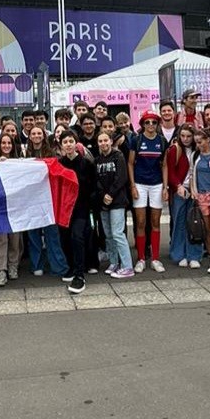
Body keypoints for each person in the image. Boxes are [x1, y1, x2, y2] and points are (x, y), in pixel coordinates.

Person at [23, 123, 68, 278]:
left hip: (49, 198)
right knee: (33, 234)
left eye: (39, 133)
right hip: (30, 199)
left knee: (52, 234)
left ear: (43, 136)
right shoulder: (23, 153)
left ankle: (58, 265)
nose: (36, 136)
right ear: (29, 136)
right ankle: (36, 265)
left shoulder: (52, 154)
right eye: (33, 134)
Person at [180, 129, 210, 273]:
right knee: (206, 229)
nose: (198, 144)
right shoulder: (195, 155)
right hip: (201, 196)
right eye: (197, 142)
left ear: (208, 140)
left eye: (201, 141)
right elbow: (192, 173)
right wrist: (193, 190)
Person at [128, 111, 168, 273]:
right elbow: (130, 163)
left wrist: (165, 187)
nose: (150, 125)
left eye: (153, 122)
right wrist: (132, 186)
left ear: (157, 124)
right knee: (141, 222)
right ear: (142, 124)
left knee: (156, 222)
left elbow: (164, 165)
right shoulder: (136, 140)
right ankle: (141, 258)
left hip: (157, 184)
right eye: (147, 122)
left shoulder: (162, 141)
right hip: (140, 184)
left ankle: (156, 259)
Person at [57, 131, 96, 294]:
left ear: (76, 143)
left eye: (71, 141)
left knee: (77, 237)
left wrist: (91, 206)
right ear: (61, 146)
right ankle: (72, 267)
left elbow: (93, 185)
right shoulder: (59, 164)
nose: (68, 144)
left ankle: (80, 275)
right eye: (65, 142)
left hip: (82, 207)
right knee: (65, 238)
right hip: (64, 209)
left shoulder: (86, 163)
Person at [95, 130, 133, 278]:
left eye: (106, 140)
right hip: (103, 202)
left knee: (118, 233)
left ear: (111, 141)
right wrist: (103, 195)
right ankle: (114, 262)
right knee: (108, 234)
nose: (103, 143)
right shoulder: (97, 160)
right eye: (100, 141)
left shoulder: (118, 156)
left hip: (117, 201)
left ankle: (127, 266)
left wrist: (110, 194)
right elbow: (96, 180)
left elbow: (121, 177)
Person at [165, 125, 202, 268]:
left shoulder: (197, 150)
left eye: (189, 136)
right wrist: (178, 186)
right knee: (179, 223)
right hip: (179, 191)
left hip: (194, 190)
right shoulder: (175, 150)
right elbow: (170, 171)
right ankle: (179, 254)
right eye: (183, 136)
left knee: (194, 222)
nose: (185, 139)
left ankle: (194, 255)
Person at [0, 132, 22, 285]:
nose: (6, 146)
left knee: (15, 238)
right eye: (3, 143)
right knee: (0, 239)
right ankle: (1, 270)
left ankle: (13, 266)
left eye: (9, 143)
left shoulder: (19, 163)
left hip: (15, 206)